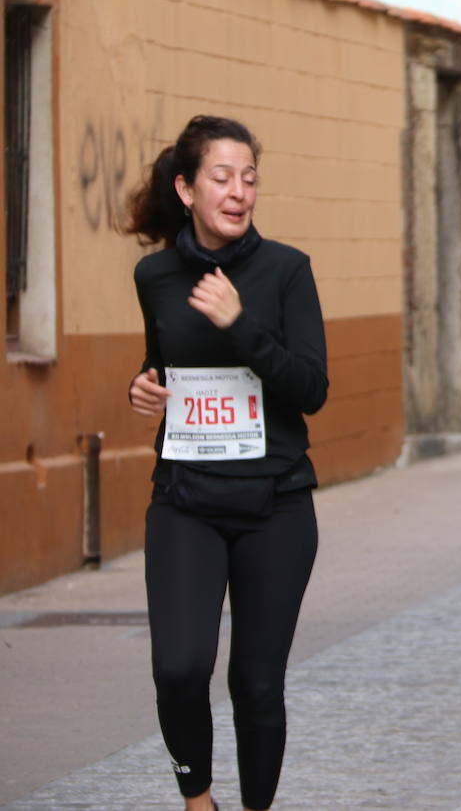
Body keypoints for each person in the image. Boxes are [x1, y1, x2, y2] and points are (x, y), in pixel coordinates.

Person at [124, 115, 328, 811]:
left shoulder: (286, 270)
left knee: (256, 682)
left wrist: (241, 324)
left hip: (277, 504)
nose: (239, 191)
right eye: (222, 177)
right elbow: (163, 362)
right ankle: (198, 798)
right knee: (179, 668)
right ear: (186, 188)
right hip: (184, 499)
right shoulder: (154, 275)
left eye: (249, 178)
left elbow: (312, 389)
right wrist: (142, 385)